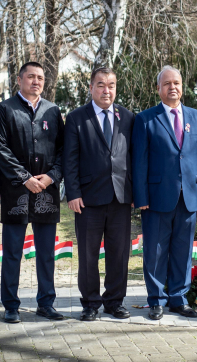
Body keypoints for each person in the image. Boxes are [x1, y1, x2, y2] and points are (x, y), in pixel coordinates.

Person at [132, 65, 197, 320]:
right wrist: (141, 197)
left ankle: (179, 298)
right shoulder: (145, 119)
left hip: (188, 198)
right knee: (155, 251)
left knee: (183, 250)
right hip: (156, 198)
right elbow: (139, 162)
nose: (173, 87)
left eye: (176, 83)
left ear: (182, 86)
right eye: (167, 83)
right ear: (158, 88)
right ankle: (156, 300)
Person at [0, 62, 64, 324]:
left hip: (47, 191)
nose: (36, 81)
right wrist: (25, 178)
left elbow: (63, 150)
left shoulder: (53, 111)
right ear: (19, 79)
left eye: (40, 78)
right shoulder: (5, 109)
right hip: (15, 192)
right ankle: (10, 305)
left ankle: (47, 302)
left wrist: (51, 177)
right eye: (31, 77)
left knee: (46, 252)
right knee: (12, 252)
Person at [63, 67, 135, 322]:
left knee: (119, 254)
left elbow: (133, 157)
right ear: (91, 87)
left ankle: (114, 302)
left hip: (120, 197)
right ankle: (90, 303)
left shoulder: (127, 116)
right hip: (88, 199)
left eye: (112, 85)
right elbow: (69, 160)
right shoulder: (76, 118)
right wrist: (72, 193)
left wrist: (135, 191)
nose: (107, 90)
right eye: (101, 85)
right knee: (88, 254)